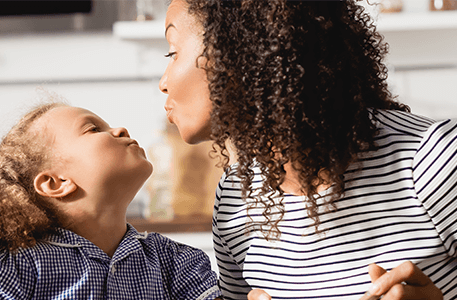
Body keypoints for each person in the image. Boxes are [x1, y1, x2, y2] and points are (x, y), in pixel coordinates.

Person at [158, 0, 455, 299]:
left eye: (173, 53)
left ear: (236, 56)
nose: (163, 82)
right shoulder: (234, 199)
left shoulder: (433, 159)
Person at [0, 101, 222, 300]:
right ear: (55, 182)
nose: (121, 129)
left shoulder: (176, 262)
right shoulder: (12, 268)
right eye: (93, 128)